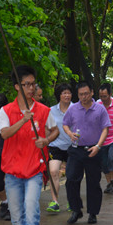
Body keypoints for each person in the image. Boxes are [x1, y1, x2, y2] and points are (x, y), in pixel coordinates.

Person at [0, 65, 59, 225]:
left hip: (34, 169)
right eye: (27, 84)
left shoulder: (43, 110)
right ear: (17, 86)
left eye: (33, 84)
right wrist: (23, 121)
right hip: (12, 170)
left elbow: (55, 130)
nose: (31, 88)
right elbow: (4, 133)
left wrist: (46, 141)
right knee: (16, 214)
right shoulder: (6, 111)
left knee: (31, 209)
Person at [62, 81, 111, 224]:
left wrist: (98, 146)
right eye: (80, 94)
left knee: (93, 182)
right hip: (76, 149)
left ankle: (93, 213)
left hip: (93, 150)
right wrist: (70, 133)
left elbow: (105, 129)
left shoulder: (100, 109)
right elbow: (65, 124)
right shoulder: (73, 109)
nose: (83, 97)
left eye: (86, 94)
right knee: (71, 179)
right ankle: (76, 210)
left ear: (91, 93)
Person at [46, 83, 73, 213]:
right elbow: (47, 128)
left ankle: (71, 201)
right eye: (64, 93)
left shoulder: (76, 109)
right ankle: (54, 201)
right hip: (55, 146)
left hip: (72, 146)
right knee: (53, 172)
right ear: (59, 96)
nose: (67, 95)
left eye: (69, 93)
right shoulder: (51, 111)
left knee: (71, 175)